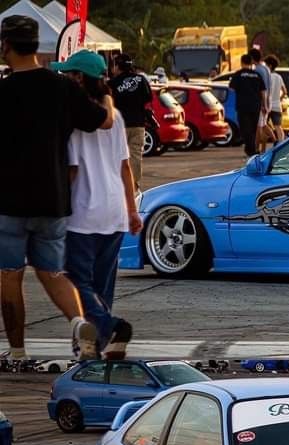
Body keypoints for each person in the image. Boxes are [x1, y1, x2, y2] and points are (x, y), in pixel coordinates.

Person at [0, 15, 113, 363]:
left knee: (9, 277)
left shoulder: (2, 91)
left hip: (10, 201)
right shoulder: (63, 87)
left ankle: (17, 352)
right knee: (53, 272)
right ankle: (79, 323)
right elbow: (102, 121)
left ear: (6, 46)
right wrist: (107, 97)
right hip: (53, 199)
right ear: (36, 46)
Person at [50, 49, 141, 360]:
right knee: (102, 286)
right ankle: (97, 346)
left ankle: (111, 327)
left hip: (84, 212)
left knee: (76, 281)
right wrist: (132, 209)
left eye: (67, 74)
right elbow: (125, 166)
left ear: (78, 78)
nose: (63, 78)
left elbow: (72, 170)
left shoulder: (75, 119)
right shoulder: (113, 116)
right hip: (114, 210)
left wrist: (56, 207)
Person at [109, 52, 152, 190]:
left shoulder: (112, 83)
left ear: (117, 66)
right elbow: (148, 97)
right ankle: (133, 187)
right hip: (138, 124)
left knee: (117, 157)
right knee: (135, 156)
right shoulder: (141, 79)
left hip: (119, 126)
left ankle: (120, 186)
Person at [229, 53, 266, 157]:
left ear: (241, 62)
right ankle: (252, 149)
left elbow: (231, 88)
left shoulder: (238, 74)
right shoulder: (257, 75)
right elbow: (263, 91)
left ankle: (250, 149)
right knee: (253, 128)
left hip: (243, 105)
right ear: (250, 62)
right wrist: (265, 105)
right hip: (256, 105)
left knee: (245, 128)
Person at [249, 48, 272, 152]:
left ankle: (257, 148)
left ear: (252, 58)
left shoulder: (257, 70)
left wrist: (262, 104)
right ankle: (264, 147)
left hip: (261, 102)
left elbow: (260, 89)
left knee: (258, 127)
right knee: (262, 125)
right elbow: (268, 87)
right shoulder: (265, 68)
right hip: (267, 99)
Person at [265, 53, 286, 142]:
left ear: (269, 65)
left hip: (267, 105)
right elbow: (285, 91)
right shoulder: (279, 77)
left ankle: (271, 140)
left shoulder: (267, 76)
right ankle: (281, 143)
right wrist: (279, 99)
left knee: (263, 125)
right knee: (278, 126)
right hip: (277, 105)